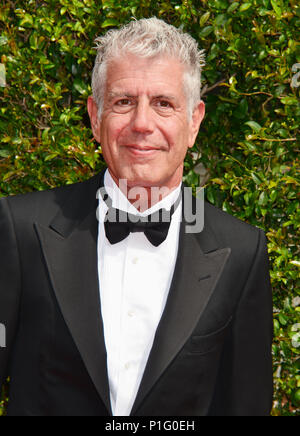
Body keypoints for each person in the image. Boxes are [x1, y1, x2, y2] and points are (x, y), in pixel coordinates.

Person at [0, 17, 273, 416]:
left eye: (163, 104)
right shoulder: (19, 229)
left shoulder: (242, 252)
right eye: (123, 102)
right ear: (95, 116)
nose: (142, 124)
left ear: (194, 121)